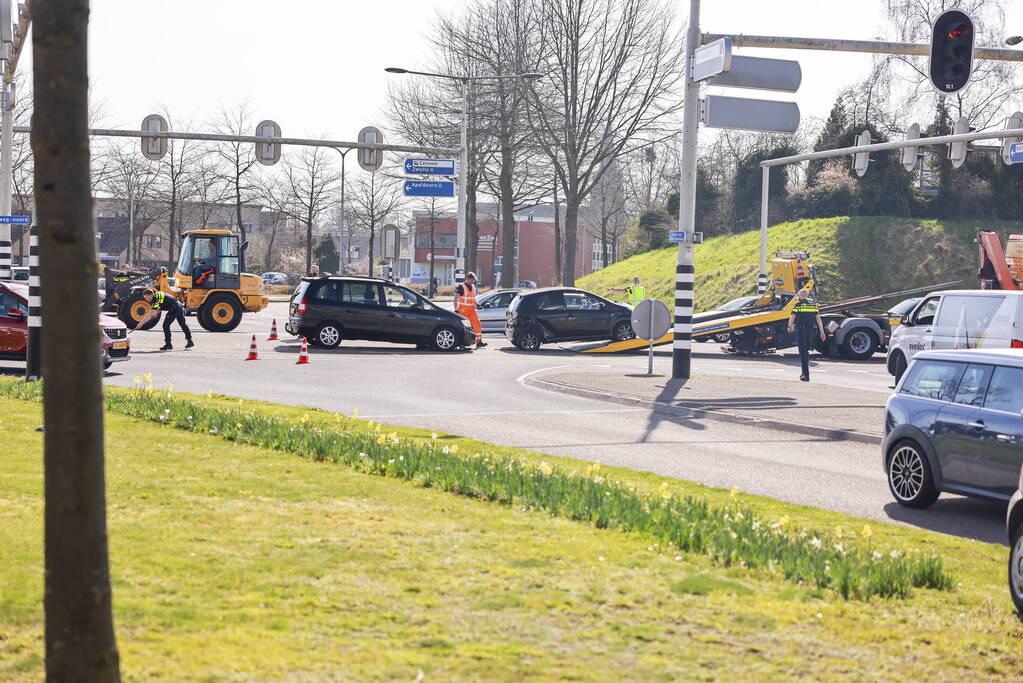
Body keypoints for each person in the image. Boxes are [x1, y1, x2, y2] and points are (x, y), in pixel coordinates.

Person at [787, 289, 826, 382]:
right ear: (807, 296)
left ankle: (805, 374)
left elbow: (792, 317)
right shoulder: (813, 306)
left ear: (800, 296)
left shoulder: (798, 305)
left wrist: (789, 326)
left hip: (800, 331)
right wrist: (822, 331)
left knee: (803, 352)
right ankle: (805, 372)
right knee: (806, 350)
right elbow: (818, 319)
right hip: (810, 331)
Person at [455, 271, 485, 348]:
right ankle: (461, 343)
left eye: (473, 280)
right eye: (471, 280)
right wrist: (456, 309)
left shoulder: (473, 287)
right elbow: (456, 298)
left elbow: (472, 298)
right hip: (463, 311)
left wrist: (477, 304)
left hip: (472, 310)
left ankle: (479, 342)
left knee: (477, 325)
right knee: (464, 328)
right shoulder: (461, 286)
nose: (472, 282)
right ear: (467, 279)